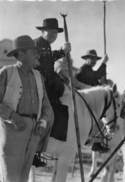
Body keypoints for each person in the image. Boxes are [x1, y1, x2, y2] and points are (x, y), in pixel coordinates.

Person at [0, 35, 54, 182]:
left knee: (24, 178)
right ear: (21, 54)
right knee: (11, 178)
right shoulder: (6, 72)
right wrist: (13, 117)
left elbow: (47, 107)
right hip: (13, 131)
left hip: (34, 133)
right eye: (33, 52)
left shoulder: (38, 76)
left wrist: (43, 122)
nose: (37, 55)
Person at [34, 18, 71, 167]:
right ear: (43, 31)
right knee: (46, 115)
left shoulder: (47, 46)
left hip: (48, 86)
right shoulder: (36, 44)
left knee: (59, 110)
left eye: (56, 33)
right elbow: (38, 65)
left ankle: (50, 146)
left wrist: (62, 51)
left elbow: (49, 59)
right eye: (51, 32)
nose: (54, 35)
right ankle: (35, 152)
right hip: (39, 86)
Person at [75, 49, 109, 153]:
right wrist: (103, 63)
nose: (94, 61)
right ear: (86, 59)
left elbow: (96, 78)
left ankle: (96, 141)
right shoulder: (84, 69)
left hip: (87, 99)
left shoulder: (89, 70)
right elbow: (96, 76)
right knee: (98, 117)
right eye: (92, 58)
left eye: (95, 59)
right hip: (84, 100)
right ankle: (95, 141)